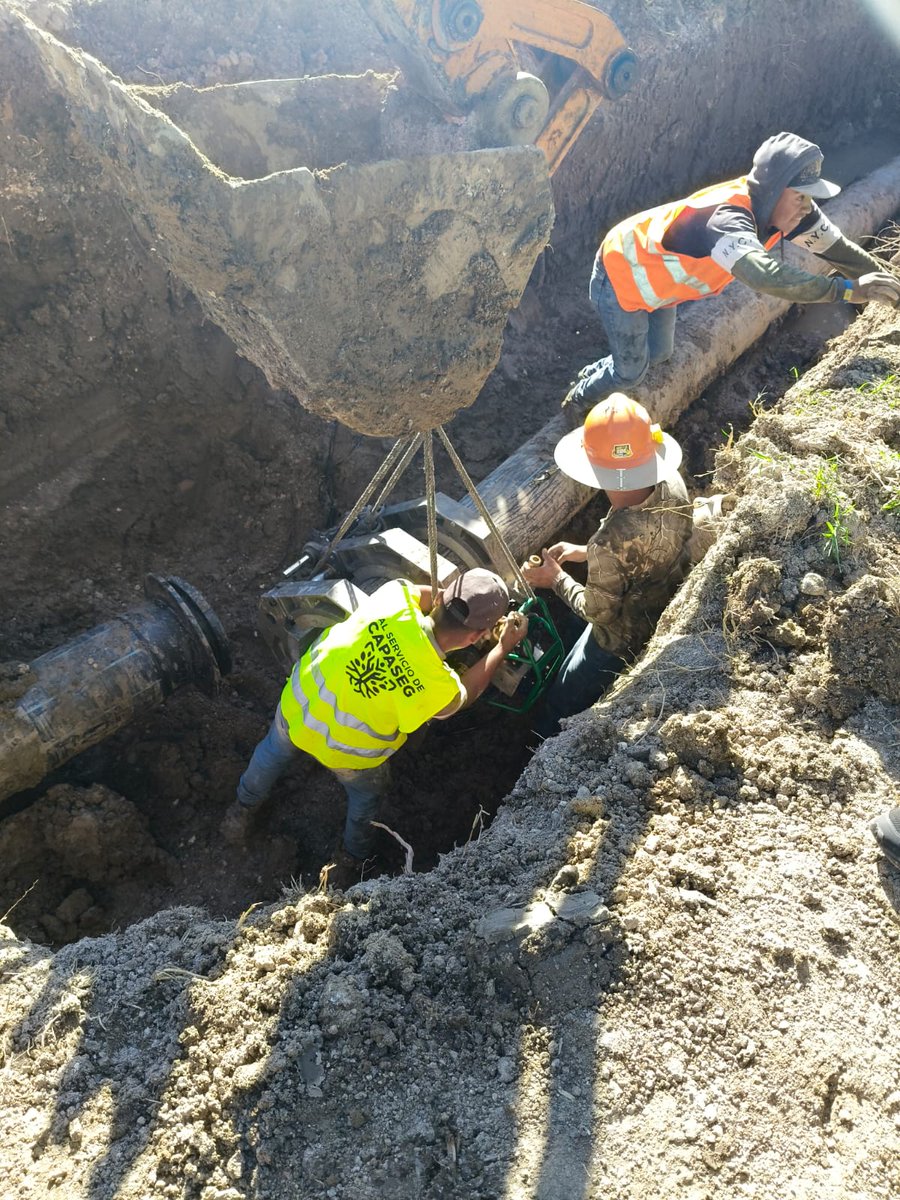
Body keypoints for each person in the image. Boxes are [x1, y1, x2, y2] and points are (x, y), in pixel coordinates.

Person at [564, 132, 900, 411]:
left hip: (660, 286)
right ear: (774, 192)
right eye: (800, 196)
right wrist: (843, 290)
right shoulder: (726, 219)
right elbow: (762, 274)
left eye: (810, 198)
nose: (807, 208)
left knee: (661, 354)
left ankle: (600, 370)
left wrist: (893, 292)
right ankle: (577, 401)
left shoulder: (789, 212)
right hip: (622, 275)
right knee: (630, 372)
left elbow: (840, 251)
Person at [224, 568, 528, 861]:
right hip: (347, 754)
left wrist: (447, 599)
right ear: (475, 638)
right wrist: (501, 647)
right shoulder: (439, 688)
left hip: (300, 703)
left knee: (272, 751)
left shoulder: (393, 597)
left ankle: (241, 809)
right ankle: (352, 857)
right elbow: (467, 692)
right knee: (366, 796)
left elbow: (422, 595)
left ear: (440, 599)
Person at [523, 394, 693, 737]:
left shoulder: (609, 543)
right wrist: (584, 551)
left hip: (618, 639)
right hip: (662, 600)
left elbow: (598, 613)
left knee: (562, 700)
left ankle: (539, 749)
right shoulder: (672, 483)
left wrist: (555, 578)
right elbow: (641, 546)